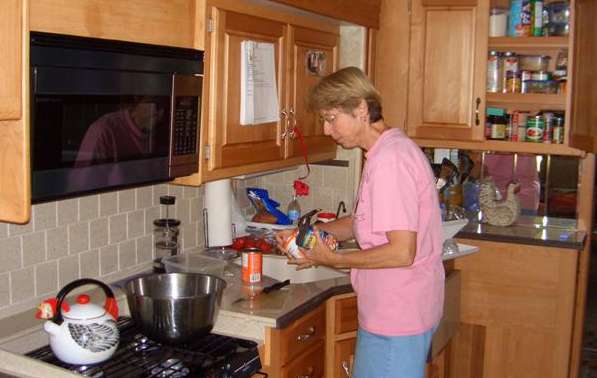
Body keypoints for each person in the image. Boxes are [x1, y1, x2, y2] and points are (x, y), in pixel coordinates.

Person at [276, 67, 444, 378]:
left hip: (398, 318)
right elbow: (362, 221)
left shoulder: (391, 161)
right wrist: (310, 233)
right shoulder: (383, 152)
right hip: (392, 313)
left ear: (361, 109)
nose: (327, 130)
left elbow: (401, 251)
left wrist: (333, 258)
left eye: (331, 118)